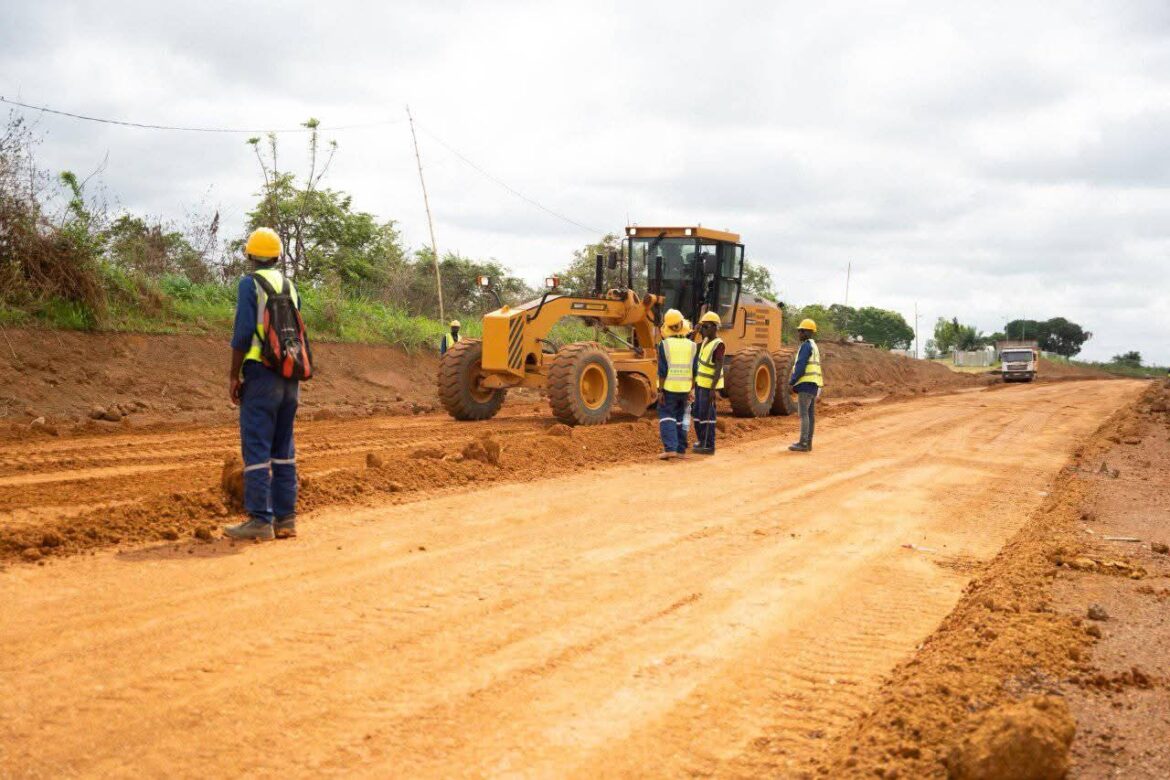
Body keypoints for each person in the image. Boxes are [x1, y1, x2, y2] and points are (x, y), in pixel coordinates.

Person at [225, 227, 302, 541]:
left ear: (250, 256)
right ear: (277, 256)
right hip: (290, 376)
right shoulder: (291, 286)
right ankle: (286, 520)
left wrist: (234, 374)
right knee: (283, 448)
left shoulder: (250, 284)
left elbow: (244, 334)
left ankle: (260, 520)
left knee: (256, 445)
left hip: (260, 375)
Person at [656, 308, 696, 460]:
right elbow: (695, 371)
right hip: (685, 389)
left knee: (667, 416)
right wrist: (692, 390)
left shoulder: (664, 345)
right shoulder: (692, 345)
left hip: (669, 389)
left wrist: (660, 391)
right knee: (681, 418)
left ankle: (670, 449)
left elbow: (662, 372)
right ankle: (680, 450)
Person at [692, 311, 725, 455]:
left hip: (708, 387)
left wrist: (713, 389)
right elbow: (692, 346)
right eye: (702, 327)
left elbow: (718, 367)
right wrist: (696, 332)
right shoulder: (705, 342)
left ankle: (709, 445)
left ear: (714, 327)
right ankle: (701, 441)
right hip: (700, 385)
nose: (703, 330)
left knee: (707, 416)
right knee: (698, 413)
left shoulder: (719, 345)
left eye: (706, 327)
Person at [788, 318, 823, 452]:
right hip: (813, 385)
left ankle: (803, 443)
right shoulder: (814, 346)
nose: (799, 333)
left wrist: (792, 381)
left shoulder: (806, 346)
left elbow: (801, 366)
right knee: (809, 415)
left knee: (803, 414)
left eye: (801, 331)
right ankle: (808, 443)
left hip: (805, 384)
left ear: (808, 332)